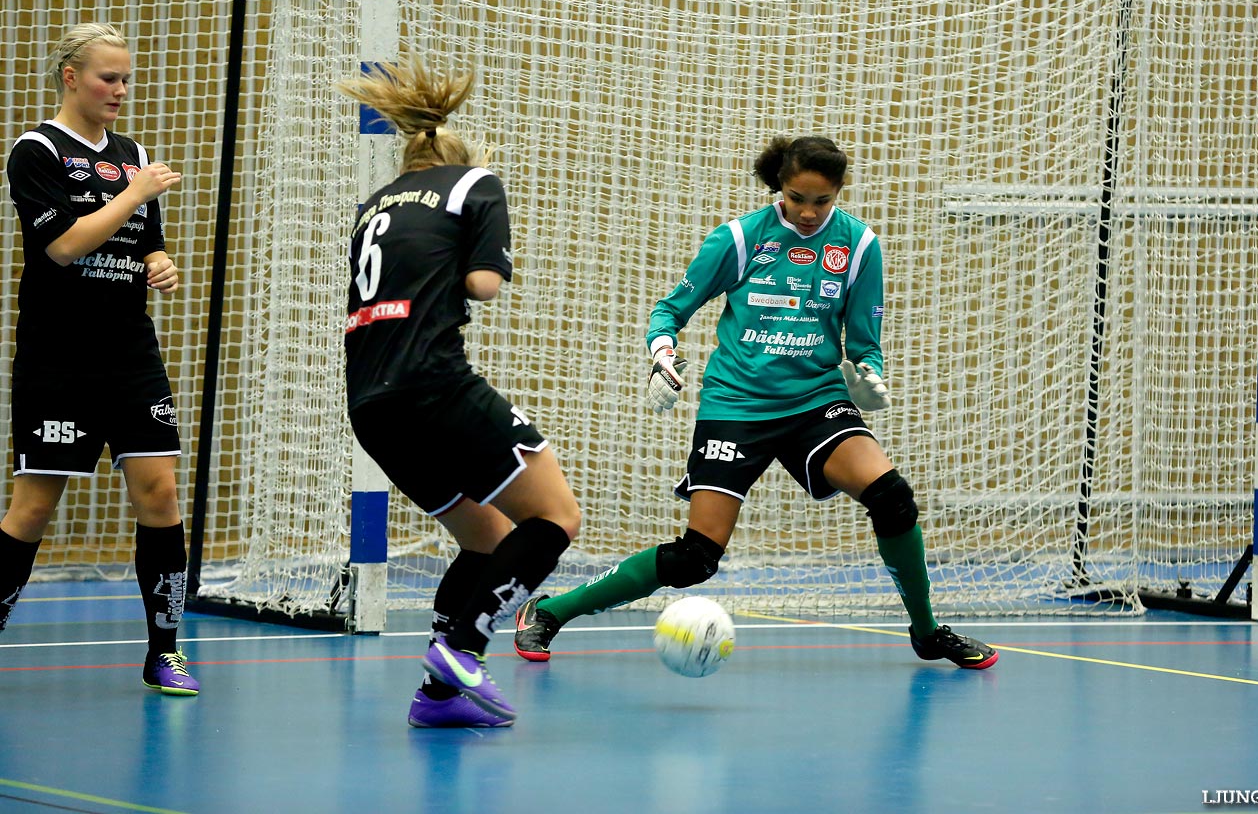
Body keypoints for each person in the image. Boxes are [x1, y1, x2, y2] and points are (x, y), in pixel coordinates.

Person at [514, 134, 998, 671]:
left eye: (822, 201)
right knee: (697, 559)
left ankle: (927, 632)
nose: (809, 212)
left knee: (892, 498)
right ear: (779, 189)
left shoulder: (859, 246)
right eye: (797, 198)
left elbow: (864, 342)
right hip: (735, 406)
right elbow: (669, 309)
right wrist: (663, 355)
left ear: (839, 194)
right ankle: (551, 611)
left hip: (816, 401)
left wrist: (868, 376)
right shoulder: (740, 239)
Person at [338, 61, 581, 729]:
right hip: (435, 385)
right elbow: (483, 285)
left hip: (371, 403)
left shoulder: (375, 204)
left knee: (486, 536)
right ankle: (464, 650)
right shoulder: (475, 185)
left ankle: (438, 699)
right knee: (555, 518)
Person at [0, 23, 197, 695]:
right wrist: (135, 193)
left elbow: (146, 242)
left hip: (129, 351)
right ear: (71, 77)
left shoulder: (131, 153)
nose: (119, 90)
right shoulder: (36, 151)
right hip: (59, 355)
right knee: (33, 508)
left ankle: (165, 651)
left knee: (161, 493)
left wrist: (161, 262)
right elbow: (62, 247)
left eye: (126, 79)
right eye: (107, 77)